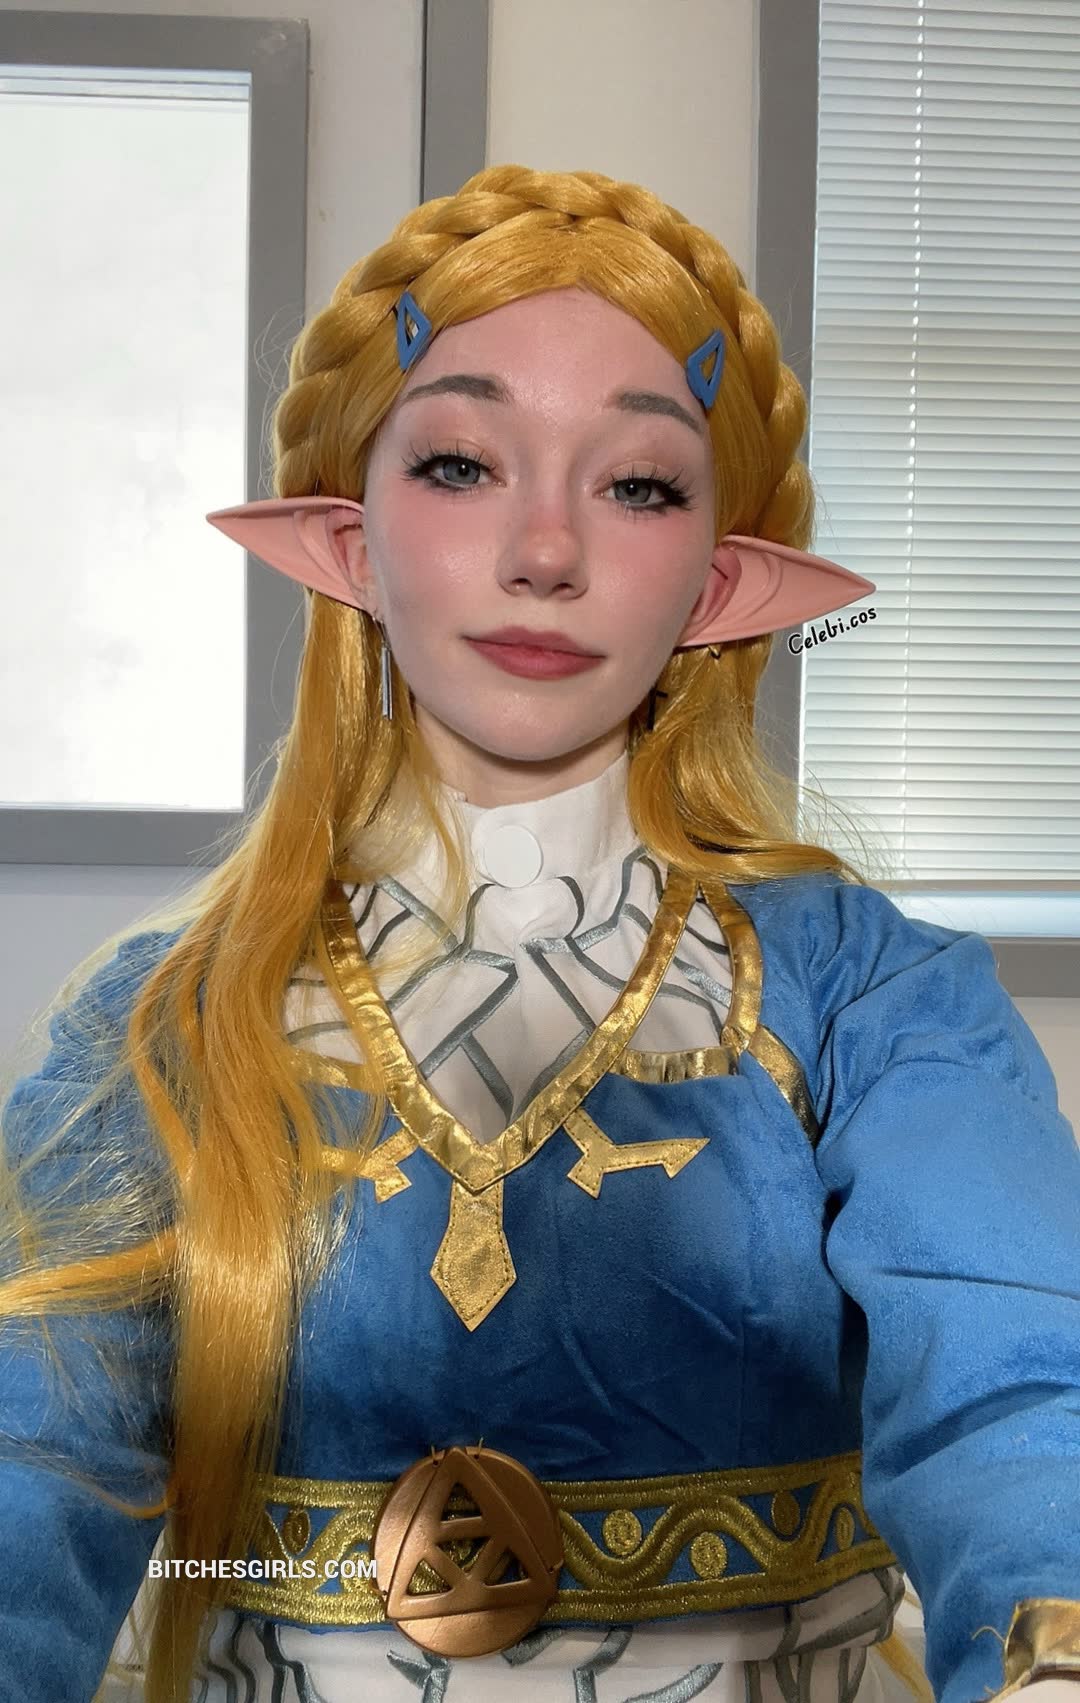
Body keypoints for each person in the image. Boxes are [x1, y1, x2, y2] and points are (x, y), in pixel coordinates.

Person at [0, 163, 1077, 1703]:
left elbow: (1019, 1385)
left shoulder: (869, 998)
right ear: (346, 542)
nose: (547, 551)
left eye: (639, 485)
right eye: (459, 465)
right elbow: (31, 1448)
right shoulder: (163, 1018)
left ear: (723, 581)